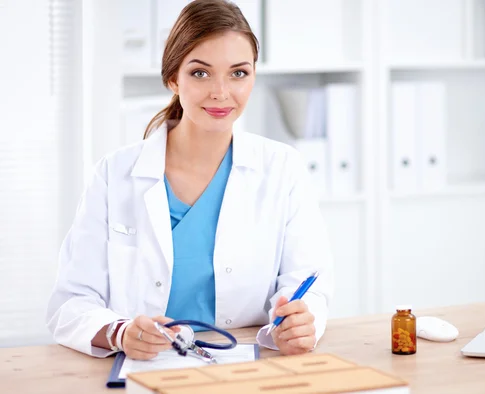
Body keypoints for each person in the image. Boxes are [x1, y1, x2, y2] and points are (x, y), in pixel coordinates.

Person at [46, 0, 333, 360]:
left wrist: (304, 322)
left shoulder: (283, 168)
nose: (220, 92)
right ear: (173, 78)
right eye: (200, 73)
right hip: (141, 368)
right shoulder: (113, 174)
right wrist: (119, 333)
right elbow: (70, 303)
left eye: (238, 73)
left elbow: (310, 285)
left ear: (254, 77)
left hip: (243, 365)